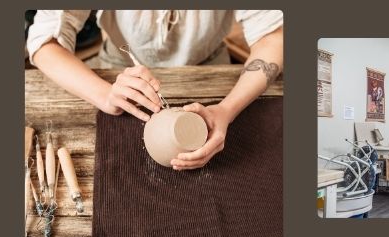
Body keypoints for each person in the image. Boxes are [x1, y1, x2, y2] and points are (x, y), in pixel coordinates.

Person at [27, 10, 283, 170]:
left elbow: (276, 38)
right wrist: (104, 94)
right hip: (120, 69)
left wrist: (226, 110)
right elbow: (43, 45)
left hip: (208, 67)